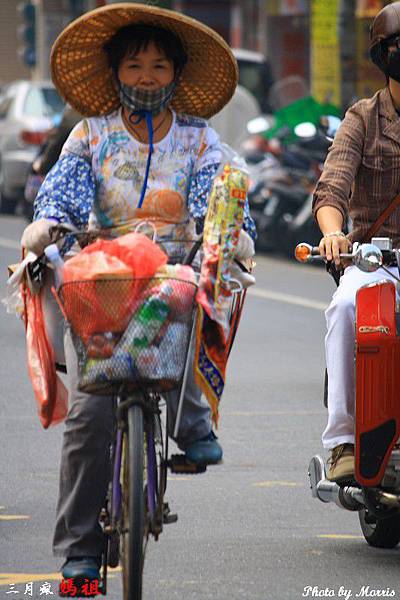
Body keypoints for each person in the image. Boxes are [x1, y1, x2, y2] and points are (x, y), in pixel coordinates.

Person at [20, 3, 256, 583]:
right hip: (101, 283)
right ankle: (79, 553)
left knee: (187, 287)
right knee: (90, 417)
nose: (146, 77)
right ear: (115, 74)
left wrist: (221, 238)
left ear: (175, 74)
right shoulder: (88, 135)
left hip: (170, 280)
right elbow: (60, 201)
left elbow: (212, 206)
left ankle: (191, 421)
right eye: (133, 66)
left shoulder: (200, 141)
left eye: (156, 66)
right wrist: (47, 229)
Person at [312, 1, 400, 483]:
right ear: (382, 54)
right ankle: (343, 440)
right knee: (345, 308)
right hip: (376, 263)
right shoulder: (362, 119)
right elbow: (332, 188)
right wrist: (333, 234)